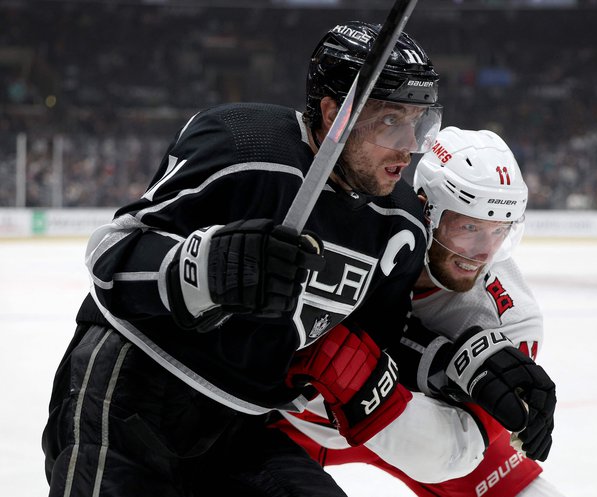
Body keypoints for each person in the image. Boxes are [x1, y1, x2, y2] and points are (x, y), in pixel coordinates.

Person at [41, 21, 445, 497]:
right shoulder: (243, 147)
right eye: (390, 121)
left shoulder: (399, 225)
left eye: (418, 122)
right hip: (133, 388)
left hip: (244, 427)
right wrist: (207, 269)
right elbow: (110, 255)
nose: (408, 145)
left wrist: (466, 364)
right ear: (335, 113)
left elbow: (379, 343)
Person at [274, 127, 564, 496]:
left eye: (499, 231)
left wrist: (360, 376)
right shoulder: (365, 220)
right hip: (298, 418)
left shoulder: (512, 319)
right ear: (427, 209)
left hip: (408, 420)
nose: (483, 252)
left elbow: (456, 452)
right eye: (470, 227)